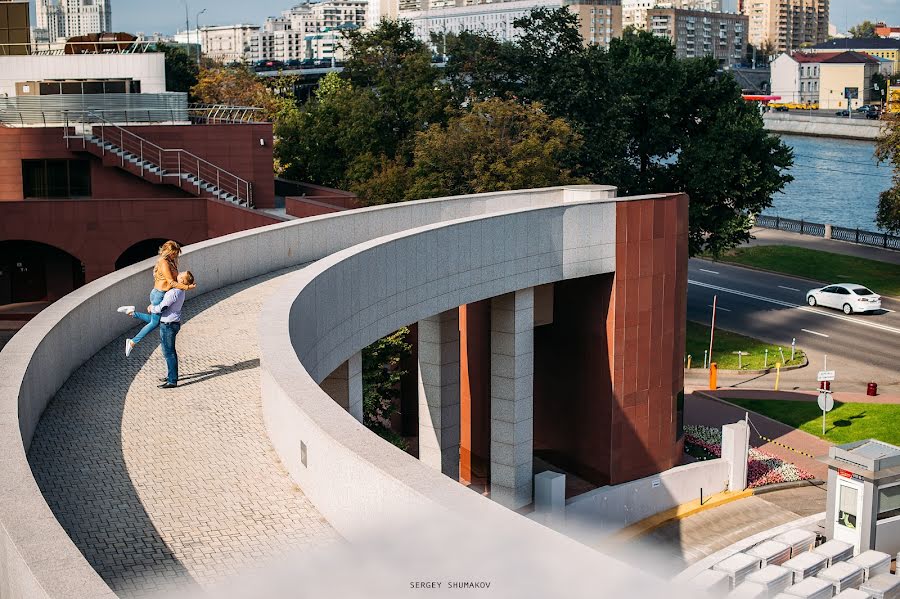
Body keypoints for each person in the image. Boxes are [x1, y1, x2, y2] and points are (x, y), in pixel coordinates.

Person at [117, 240, 194, 357]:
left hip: (161, 294)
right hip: (159, 294)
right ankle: (132, 342)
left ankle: (131, 312)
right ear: (169, 252)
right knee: (154, 323)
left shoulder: (171, 261)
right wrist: (186, 287)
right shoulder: (164, 262)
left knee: (156, 321)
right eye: (175, 253)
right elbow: (171, 282)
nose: (176, 256)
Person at [137, 270, 193, 389]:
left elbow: (163, 307)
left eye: (181, 275)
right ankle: (170, 376)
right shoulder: (180, 290)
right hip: (172, 323)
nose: (178, 274)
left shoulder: (175, 292)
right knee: (167, 351)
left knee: (169, 352)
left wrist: (153, 308)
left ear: (182, 281)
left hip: (168, 324)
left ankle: (172, 380)